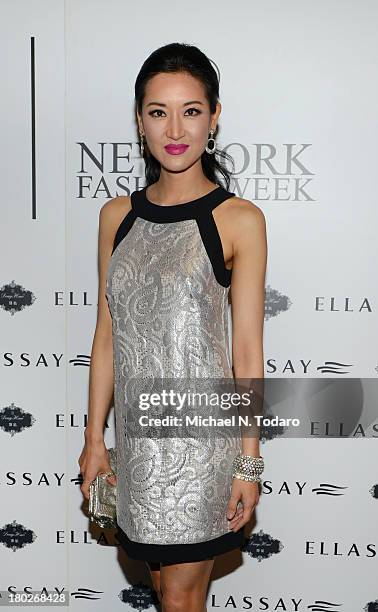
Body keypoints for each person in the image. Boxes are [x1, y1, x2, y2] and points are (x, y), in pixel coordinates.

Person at [78, 42, 267, 612]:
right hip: (136, 447)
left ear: (214, 119)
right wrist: (93, 441)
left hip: (203, 444)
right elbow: (107, 335)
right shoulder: (117, 216)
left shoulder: (238, 220)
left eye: (191, 110)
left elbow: (248, 353)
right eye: (159, 111)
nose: (175, 128)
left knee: (181, 597)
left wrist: (248, 461)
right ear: (140, 121)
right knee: (163, 591)